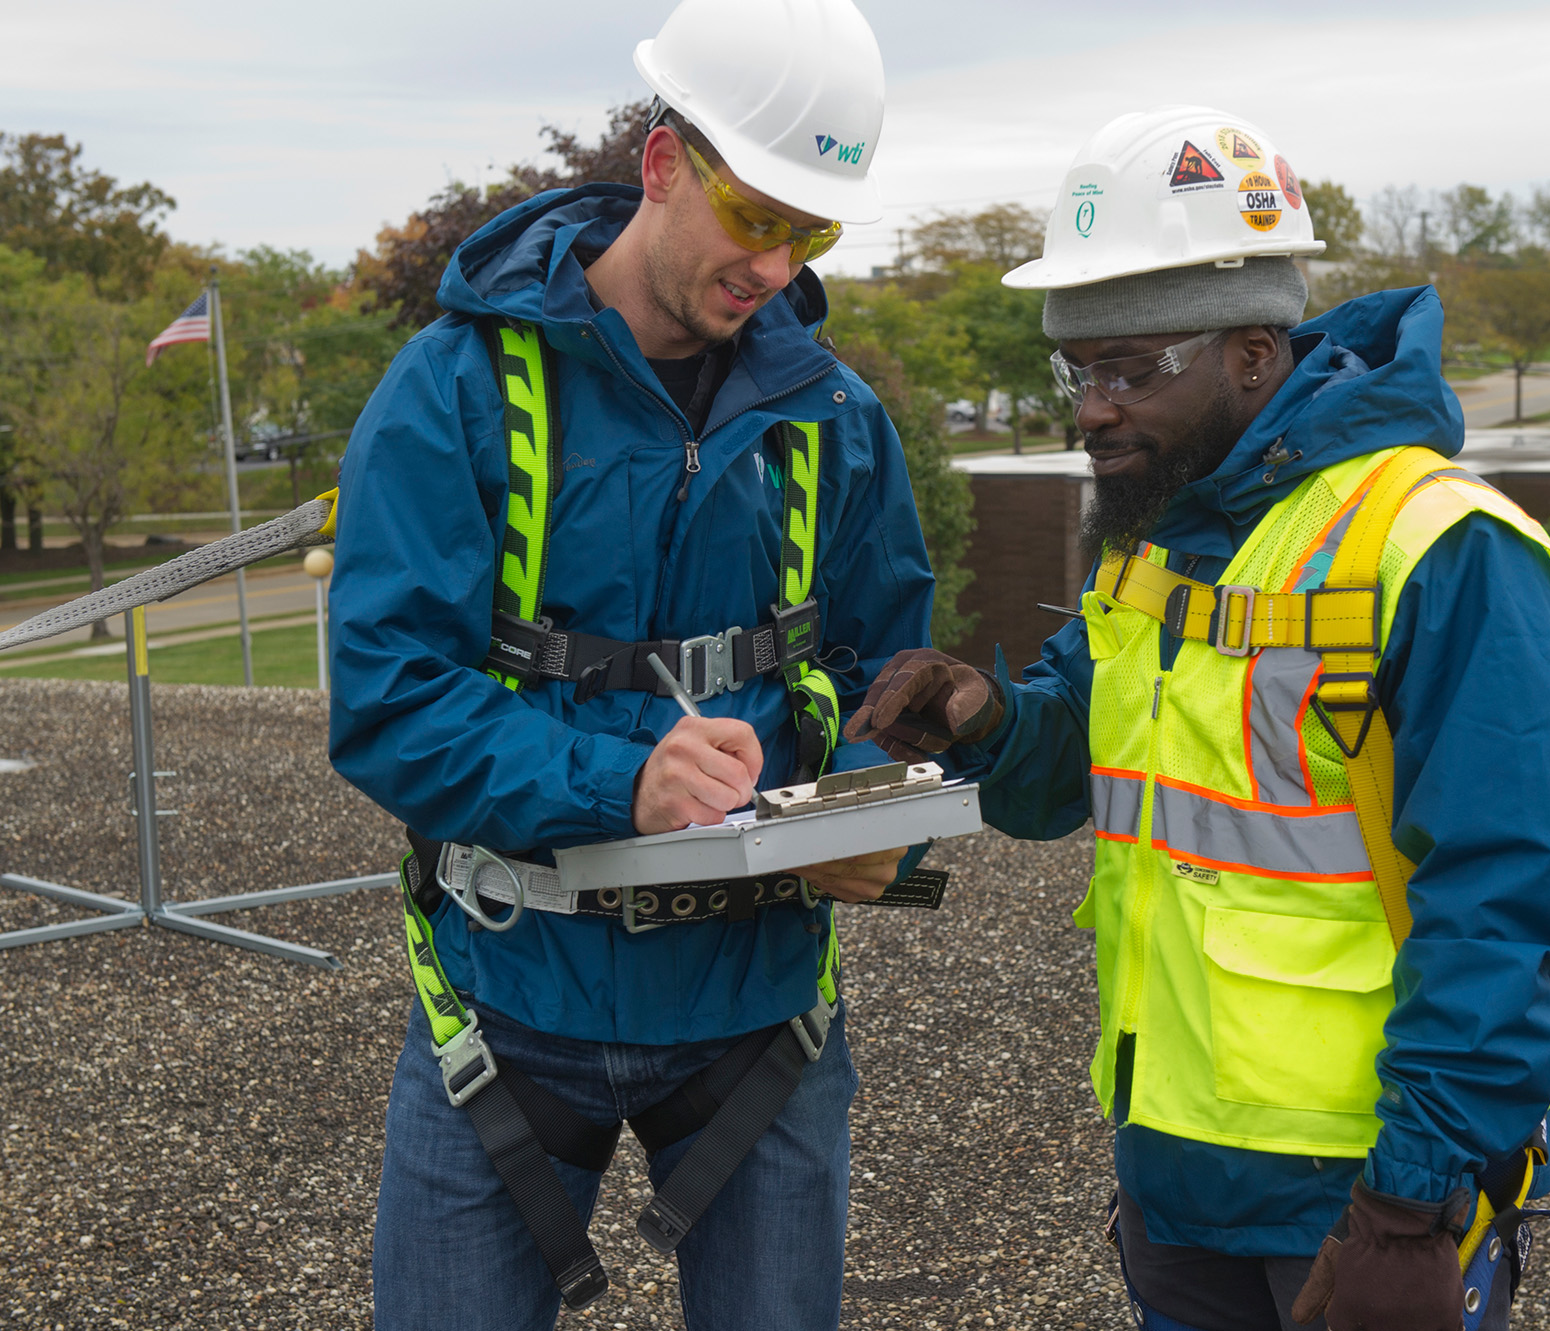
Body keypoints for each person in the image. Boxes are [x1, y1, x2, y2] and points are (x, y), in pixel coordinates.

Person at [846, 107, 1550, 1331]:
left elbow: (1506, 896)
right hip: (1171, 1168)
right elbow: (1065, 784)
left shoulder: (1434, 547)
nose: (1089, 409)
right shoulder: (1151, 538)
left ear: (1255, 353)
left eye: (1129, 369)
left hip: (1353, 1190)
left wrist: (1410, 1204)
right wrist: (983, 716)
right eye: (1074, 371)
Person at [327, 2, 937, 1327]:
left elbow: (895, 663)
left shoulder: (833, 417)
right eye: (756, 214)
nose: (776, 266)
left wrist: (879, 801)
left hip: (761, 1009)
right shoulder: (456, 392)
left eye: (810, 232)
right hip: (505, 994)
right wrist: (622, 783)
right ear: (664, 164)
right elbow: (387, 701)